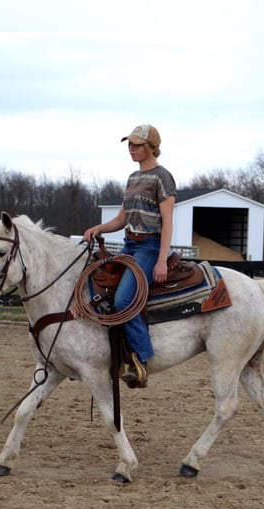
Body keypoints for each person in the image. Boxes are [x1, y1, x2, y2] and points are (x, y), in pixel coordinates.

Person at [82, 124, 176, 388]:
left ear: (151, 147)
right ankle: (109, 350)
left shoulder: (162, 177)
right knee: (95, 281)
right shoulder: (133, 179)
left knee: (124, 300)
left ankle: (141, 361)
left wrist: (161, 259)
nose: (131, 149)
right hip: (129, 245)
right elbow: (122, 219)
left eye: (136, 145)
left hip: (149, 247)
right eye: (130, 145)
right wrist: (98, 228)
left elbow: (167, 222)